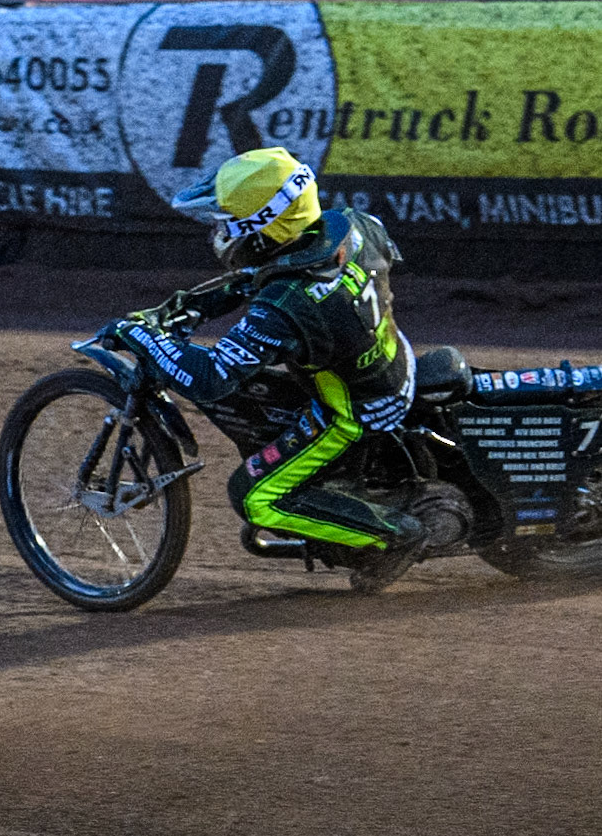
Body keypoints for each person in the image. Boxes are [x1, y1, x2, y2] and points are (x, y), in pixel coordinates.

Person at [103, 146, 428, 591]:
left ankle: (393, 536)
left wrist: (138, 335)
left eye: (226, 223)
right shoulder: (353, 225)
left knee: (253, 496)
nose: (219, 231)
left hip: (353, 414)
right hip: (392, 362)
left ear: (261, 228)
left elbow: (212, 378)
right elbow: (276, 272)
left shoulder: (288, 304)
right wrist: (194, 306)